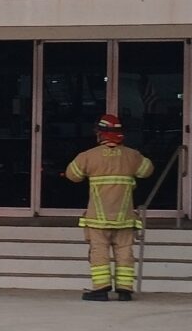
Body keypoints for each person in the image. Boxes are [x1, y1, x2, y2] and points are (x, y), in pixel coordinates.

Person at [65, 113, 154, 301]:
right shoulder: (133, 155)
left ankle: (101, 289)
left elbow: (72, 175)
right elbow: (147, 171)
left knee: (99, 252)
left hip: (98, 219)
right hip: (124, 218)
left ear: (100, 134)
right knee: (124, 252)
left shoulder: (88, 156)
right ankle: (124, 290)